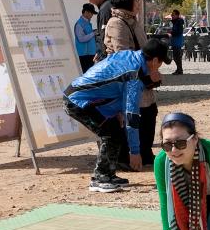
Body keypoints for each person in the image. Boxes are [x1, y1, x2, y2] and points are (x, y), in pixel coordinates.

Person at [63, 39, 171, 193]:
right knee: (110, 133)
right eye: (161, 62)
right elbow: (131, 116)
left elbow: (112, 82)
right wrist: (135, 152)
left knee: (115, 130)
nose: (160, 67)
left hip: (80, 96)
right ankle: (99, 178)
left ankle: (108, 174)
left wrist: (116, 112)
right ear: (154, 61)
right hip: (78, 101)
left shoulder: (131, 56)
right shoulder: (134, 76)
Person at [104, 0, 158, 166]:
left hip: (143, 80)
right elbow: (123, 56)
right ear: (130, 1)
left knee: (149, 114)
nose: (139, 4)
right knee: (133, 117)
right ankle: (129, 157)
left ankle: (144, 152)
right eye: (137, 0)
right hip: (129, 82)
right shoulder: (117, 23)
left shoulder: (133, 21)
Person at [74, 3, 98, 72]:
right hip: (84, 55)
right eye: (91, 13)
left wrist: (93, 32)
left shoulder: (87, 22)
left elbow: (87, 35)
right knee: (87, 74)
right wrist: (93, 33)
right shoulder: (79, 24)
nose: (92, 15)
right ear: (86, 12)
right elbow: (81, 39)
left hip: (90, 53)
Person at [167, 9, 185, 76]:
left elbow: (178, 32)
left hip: (177, 41)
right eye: (172, 14)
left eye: (173, 15)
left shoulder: (178, 22)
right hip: (175, 41)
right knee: (176, 56)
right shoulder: (176, 22)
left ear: (177, 15)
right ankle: (179, 69)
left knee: (176, 56)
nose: (172, 16)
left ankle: (180, 70)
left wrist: (171, 33)